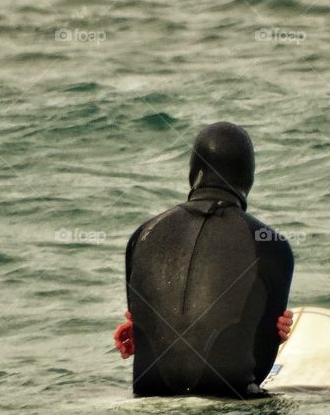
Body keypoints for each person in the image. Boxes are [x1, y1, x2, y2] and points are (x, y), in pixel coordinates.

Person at [113, 122, 294, 398]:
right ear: (248, 178)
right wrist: (273, 334)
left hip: (149, 398)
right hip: (229, 400)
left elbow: (144, 333)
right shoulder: (272, 245)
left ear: (193, 172)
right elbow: (261, 363)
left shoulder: (143, 235)